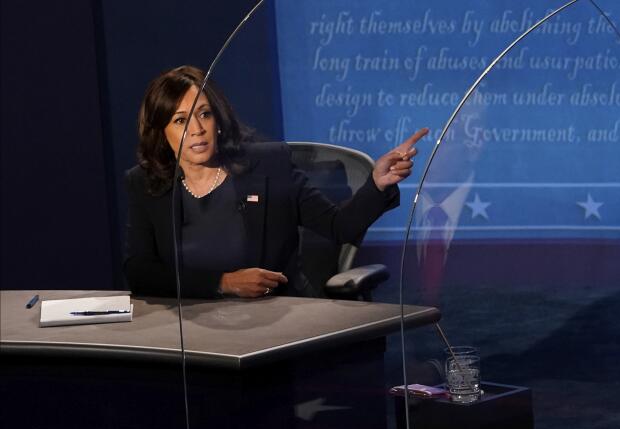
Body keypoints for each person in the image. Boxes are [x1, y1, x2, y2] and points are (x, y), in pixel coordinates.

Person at [123, 65, 429, 299]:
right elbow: (140, 272)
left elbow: (340, 226)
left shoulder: (269, 166)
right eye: (180, 120)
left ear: (218, 120)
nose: (197, 129)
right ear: (162, 133)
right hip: (191, 329)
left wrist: (377, 183)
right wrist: (223, 283)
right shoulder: (146, 184)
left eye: (204, 114)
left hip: (274, 319)